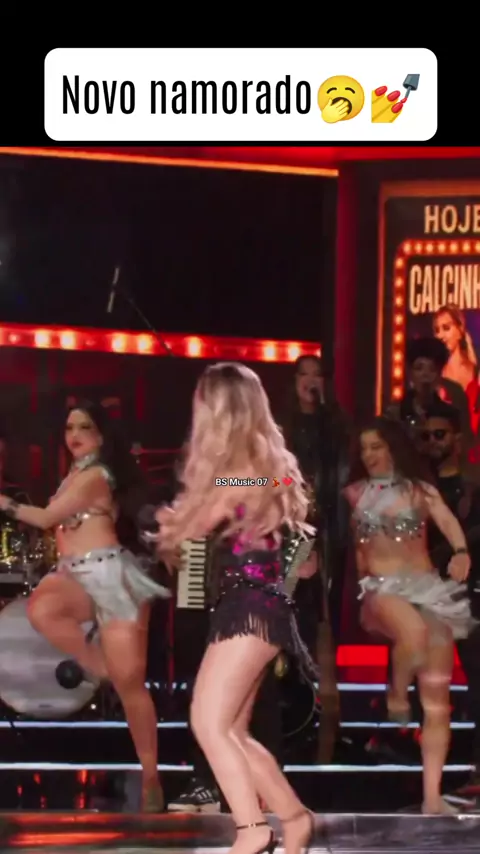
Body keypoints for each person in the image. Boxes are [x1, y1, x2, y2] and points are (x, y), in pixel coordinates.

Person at [155, 362, 315, 854]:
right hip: (255, 605)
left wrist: (166, 518)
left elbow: (191, 525)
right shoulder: (268, 469)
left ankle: (252, 829)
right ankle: (294, 818)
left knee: (208, 721)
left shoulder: (239, 475)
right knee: (234, 730)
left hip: (250, 608)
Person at [0, 401, 170, 812]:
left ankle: (152, 778)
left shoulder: (97, 476)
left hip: (111, 578)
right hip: (74, 575)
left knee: (131, 687)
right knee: (42, 609)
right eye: (69, 427)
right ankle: (100, 668)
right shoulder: (75, 475)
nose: (74, 435)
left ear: (101, 435)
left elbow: (45, 518)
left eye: (84, 427)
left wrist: (4, 503)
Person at [343, 416, 474, 815]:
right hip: (381, 589)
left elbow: (448, 521)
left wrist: (461, 552)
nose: (369, 455)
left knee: (437, 700)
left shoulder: (421, 491)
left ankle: (432, 797)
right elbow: (285, 485)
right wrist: (241, 480)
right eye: (364, 448)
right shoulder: (354, 493)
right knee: (413, 632)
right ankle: (397, 694)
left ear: (393, 448)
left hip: (428, 589)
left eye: (377, 446)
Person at [280, 354, 350, 760]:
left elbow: (342, 478)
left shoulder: (334, 426)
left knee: (320, 616)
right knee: (288, 604)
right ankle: (289, 698)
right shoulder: (280, 427)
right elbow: (253, 477)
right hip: (289, 528)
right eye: (303, 375)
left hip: (326, 531)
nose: (310, 381)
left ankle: (320, 715)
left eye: (317, 375)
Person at [421, 406, 480, 800]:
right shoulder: (416, 485)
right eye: (426, 436)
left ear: (458, 438)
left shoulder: (473, 484)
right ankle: (430, 785)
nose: (432, 443)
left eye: (439, 434)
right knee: (430, 688)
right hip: (425, 593)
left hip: (469, 594)